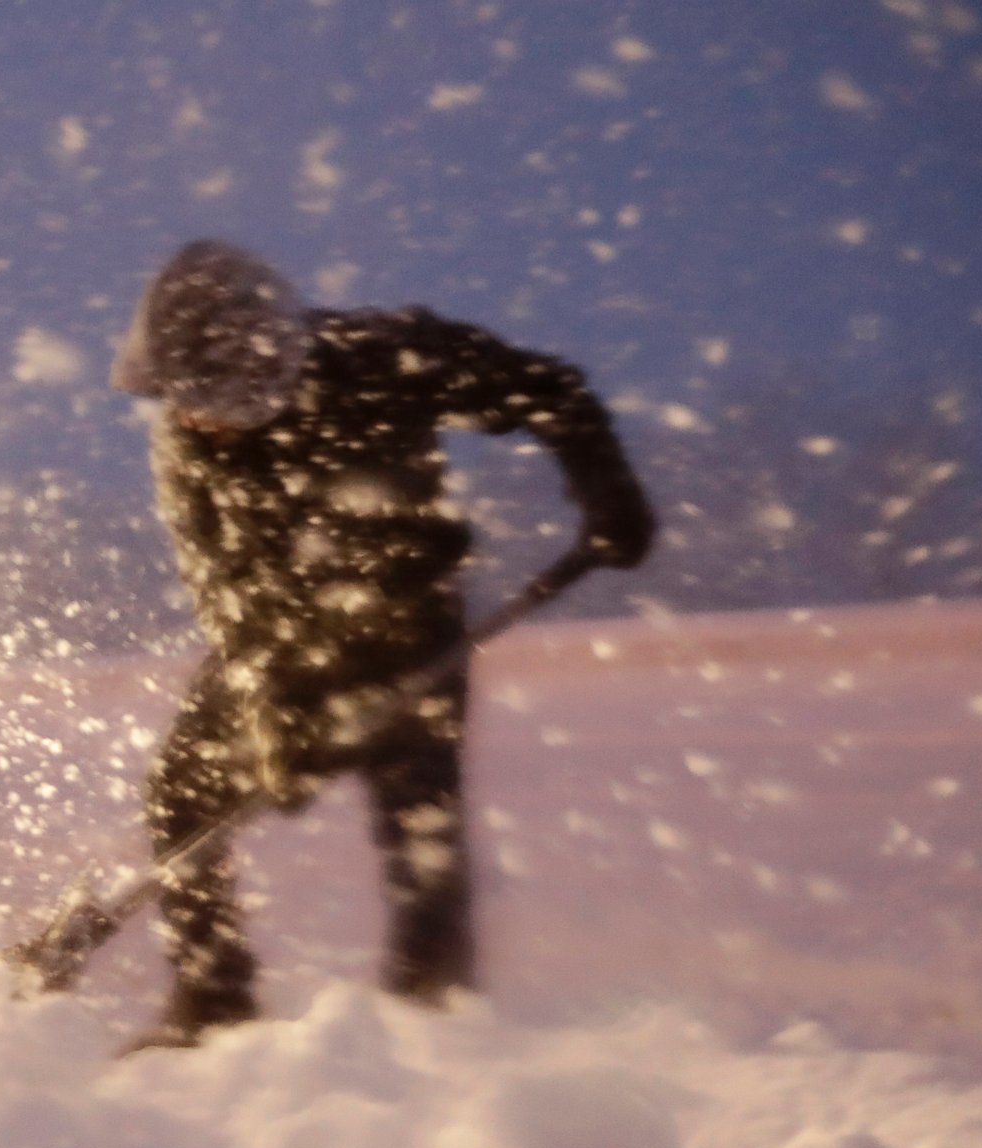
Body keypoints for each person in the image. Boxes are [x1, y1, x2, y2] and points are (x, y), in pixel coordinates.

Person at [111, 239, 653, 1046]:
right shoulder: (188, 443)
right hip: (276, 636)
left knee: (419, 816)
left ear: (270, 363)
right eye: (182, 399)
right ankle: (211, 997)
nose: (199, 420)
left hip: (410, 624)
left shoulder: (386, 356)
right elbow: (225, 592)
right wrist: (275, 722)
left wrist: (607, 494)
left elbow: (552, 391)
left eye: (216, 399)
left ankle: (434, 1004)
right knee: (182, 792)